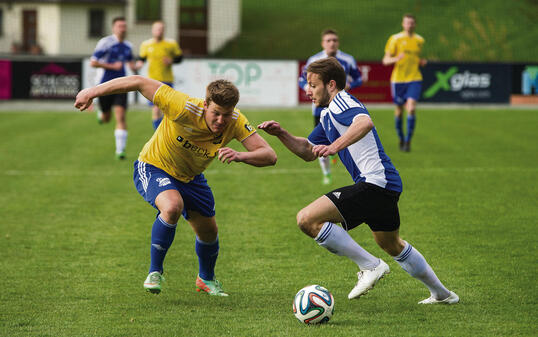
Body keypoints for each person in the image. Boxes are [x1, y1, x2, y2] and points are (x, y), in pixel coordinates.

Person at [259, 57, 458, 304]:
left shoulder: (342, 101)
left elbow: (364, 122)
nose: (307, 90)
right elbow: (308, 151)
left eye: (312, 85)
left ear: (331, 84)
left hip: (375, 183)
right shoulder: (327, 114)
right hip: (385, 184)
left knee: (307, 219)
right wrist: (281, 134)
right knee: (392, 244)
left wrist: (335, 146)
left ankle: (371, 266)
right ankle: (442, 294)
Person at [75, 75, 277, 296]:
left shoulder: (236, 121)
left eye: (226, 115)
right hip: (154, 166)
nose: (221, 120)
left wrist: (240, 155)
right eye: (216, 113)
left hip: (191, 177)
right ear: (205, 104)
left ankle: (206, 279)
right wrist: (91, 91)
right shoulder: (182, 106)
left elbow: (269, 155)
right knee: (172, 206)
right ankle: (155, 272)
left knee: (209, 232)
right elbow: (138, 81)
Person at [299, 29, 362, 185]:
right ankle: (326, 173)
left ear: (338, 42)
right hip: (320, 109)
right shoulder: (314, 60)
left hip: (340, 107)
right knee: (319, 143)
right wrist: (310, 88)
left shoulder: (347, 60)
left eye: (334, 40)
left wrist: (350, 85)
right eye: (328, 40)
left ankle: (342, 158)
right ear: (323, 43)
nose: (332, 43)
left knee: (346, 138)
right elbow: (301, 79)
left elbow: (359, 79)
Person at [90, 17, 136, 160]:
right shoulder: (106, 43)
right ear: (113, 28)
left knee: (121, 116)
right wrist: (111, 66)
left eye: (124, 26)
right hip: (104, 84)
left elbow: (129, 62)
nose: (122, 28)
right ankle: (102, 114)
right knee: (107, 118)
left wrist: (135, 66)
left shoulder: (128, 46)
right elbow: (93, 62)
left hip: (121, 85)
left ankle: (120, 151)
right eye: (119, 26)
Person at [382, 14, 426, 152]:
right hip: (398, 80)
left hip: (415, 78)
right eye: (407, 23)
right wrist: (396, 58)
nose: (410, 25)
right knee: (399, 111)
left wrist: (420, 62)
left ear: (415, 25)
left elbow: (416, 57)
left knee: (411, 108)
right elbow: (385, 60)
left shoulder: (420, 40)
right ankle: (401, 137)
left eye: (412, 23)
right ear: (403, 24)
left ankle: (408, 141)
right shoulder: (395, 39)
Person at [136, 21, 183, 130]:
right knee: (156, 109)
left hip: (167, 80)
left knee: (167, 109)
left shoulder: (171, 44)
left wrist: (171, 61)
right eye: (157, 29)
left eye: (161, 29)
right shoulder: (146, 44)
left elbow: (179, 57)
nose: (159, 31)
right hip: (152, 81)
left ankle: (165, 131)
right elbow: (141, 59)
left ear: (164, 31)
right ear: (152, 30)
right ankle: (157, 132)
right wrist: (138, 64)